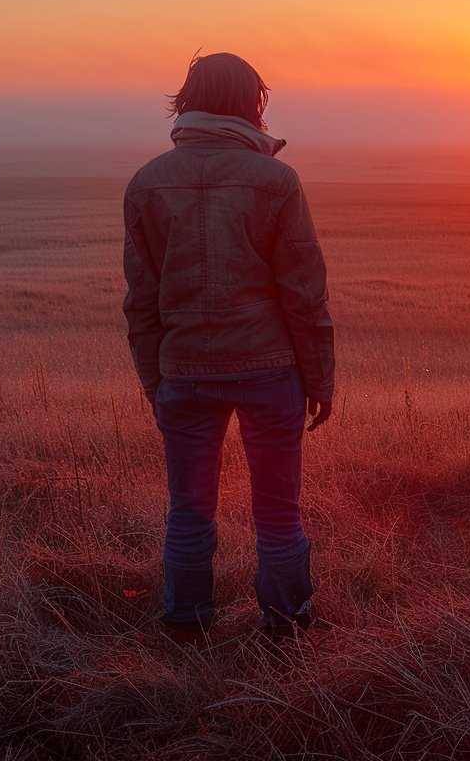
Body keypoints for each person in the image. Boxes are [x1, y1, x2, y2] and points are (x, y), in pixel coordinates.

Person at [121, 52, 335, 640]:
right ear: (253, 103)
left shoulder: (146, 182)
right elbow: (304, 292)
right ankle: (287, 629)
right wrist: (320, 381)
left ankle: (185, 627)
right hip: (271, 371)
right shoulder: (276, 181)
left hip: (183, 373)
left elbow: (141, 300)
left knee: (188, 511)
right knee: (278, 510)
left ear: (187, 99)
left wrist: (154, 380)